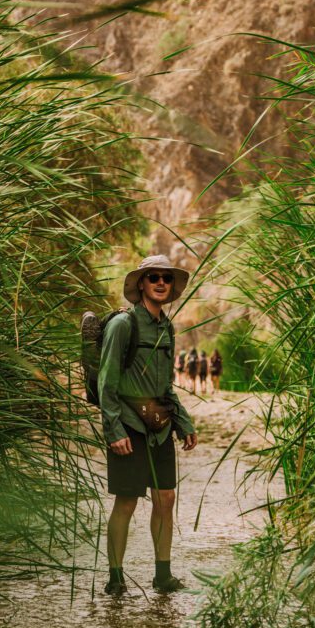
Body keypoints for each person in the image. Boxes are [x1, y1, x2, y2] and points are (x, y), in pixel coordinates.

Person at [98, 255, 197, 597]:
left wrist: (183, 423)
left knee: (166, 498)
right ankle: (115, 578)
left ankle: (163, 576)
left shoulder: (166, 329)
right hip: (127, 425)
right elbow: (106, 381)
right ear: (141, 283)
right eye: (153, 277)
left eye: (166, 278)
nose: (160, 283)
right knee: (126, 501)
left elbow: (166, 386)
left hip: (160, 426)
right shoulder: (122, 325)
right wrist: (113, 430)